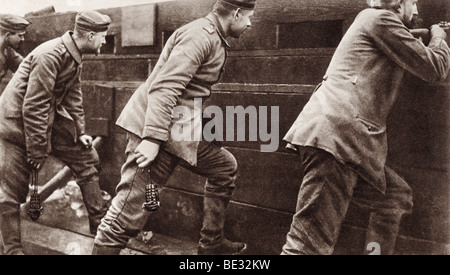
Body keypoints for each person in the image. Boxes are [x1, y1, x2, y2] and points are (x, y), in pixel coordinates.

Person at [282, 0, 449, 255]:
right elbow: (435, 68)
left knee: (393, 199)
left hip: (350, 145)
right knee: (307, 245)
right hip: (337, 141)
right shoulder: (380, 19)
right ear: (398, 4)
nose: (416, 11)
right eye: (412, 2)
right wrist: (439, 36)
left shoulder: (377, 23)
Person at [92, 0, 256, 255]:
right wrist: (152, 139)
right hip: (155, 129)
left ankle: (211, 244)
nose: (249, 23)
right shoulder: (199, 36)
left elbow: (189, 93)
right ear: (235, 13)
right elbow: (165, 87)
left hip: (179, 130)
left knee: (224, 167)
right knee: (125, 216)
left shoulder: (213, 37)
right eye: (248, 17)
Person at [0, 10, 112, 255]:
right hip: (16, 125)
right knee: (9, 193)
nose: (104, 41)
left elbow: (73, 93)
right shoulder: (51, 54)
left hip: (44, 120)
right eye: (103, 37)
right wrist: (37, 151)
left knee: (86, 157)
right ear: (91, 35)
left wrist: (81, 131)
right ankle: (12, 250)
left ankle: (102, 229)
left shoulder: (73, 53)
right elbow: (33, 106)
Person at [0, 14, 30, 84]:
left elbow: (26, 66)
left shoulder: (7, 51)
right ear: (8, 35)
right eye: (20, 35)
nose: (23, 39)